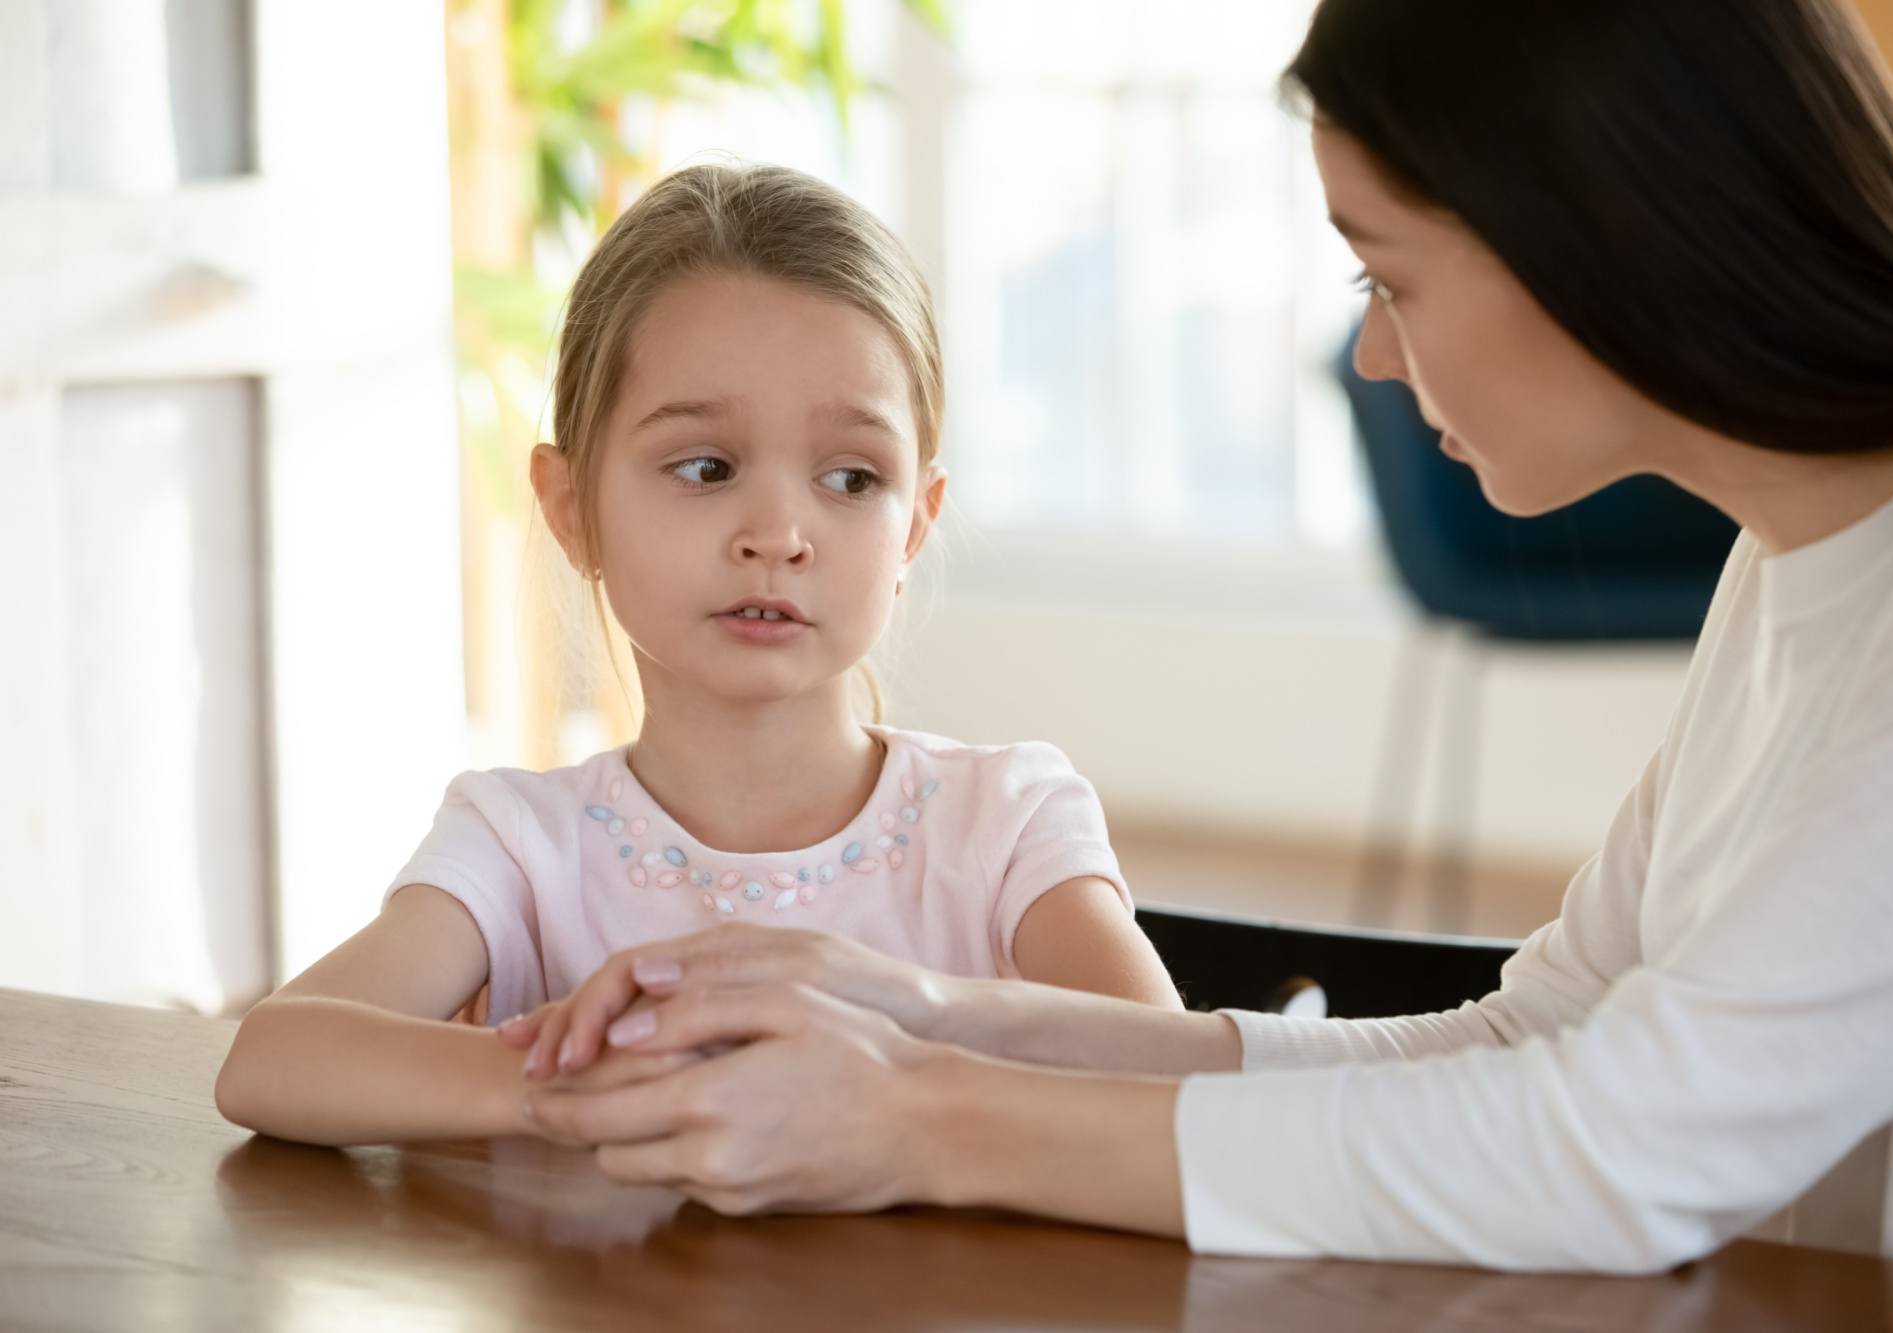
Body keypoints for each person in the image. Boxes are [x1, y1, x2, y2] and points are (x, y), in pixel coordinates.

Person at [507, 0, 1893, 1275]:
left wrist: (915, 1115)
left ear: (1596, 234)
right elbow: (1535, 1032)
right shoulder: (1802, 554)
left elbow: (1617, 1144)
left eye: (1387, 273)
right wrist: (940, 1018)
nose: (1373, 349)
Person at [212, 163, 1182, 1148]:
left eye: (851, 477)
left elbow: (1176, 1080)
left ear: (914, 529)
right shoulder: (520, 846)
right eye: (706, 467)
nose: (778, 533)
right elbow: (272, 1060)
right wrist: (580, 1088)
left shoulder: (1006, 824)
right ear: (569, 508)